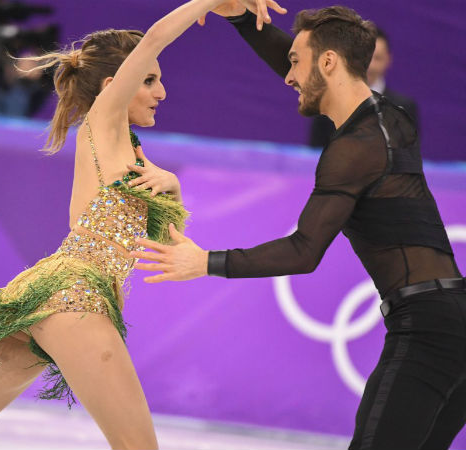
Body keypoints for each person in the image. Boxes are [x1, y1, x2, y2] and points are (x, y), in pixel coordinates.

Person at [0, 1, 260, 448]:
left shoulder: (133, 152)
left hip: (50, 291)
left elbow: (170, 246)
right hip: (76, 297)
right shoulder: (105, 121)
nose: (162, 92)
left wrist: (173, 187)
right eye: (149, 79)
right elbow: (154, 39)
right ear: (114, 86)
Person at [133, 2, 466, 449]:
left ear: (328, 62)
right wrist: (239, 17)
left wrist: (205, 261)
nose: (288, 76)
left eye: (295, 61)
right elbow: (312, 74)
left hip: (426, 327)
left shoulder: (352, 150)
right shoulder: (394, 119)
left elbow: (303, 251)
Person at [309, 26, 419, 148]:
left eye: (377, 58)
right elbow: (316, 153)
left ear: (388, 59)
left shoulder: (402, 108)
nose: (370, 66)